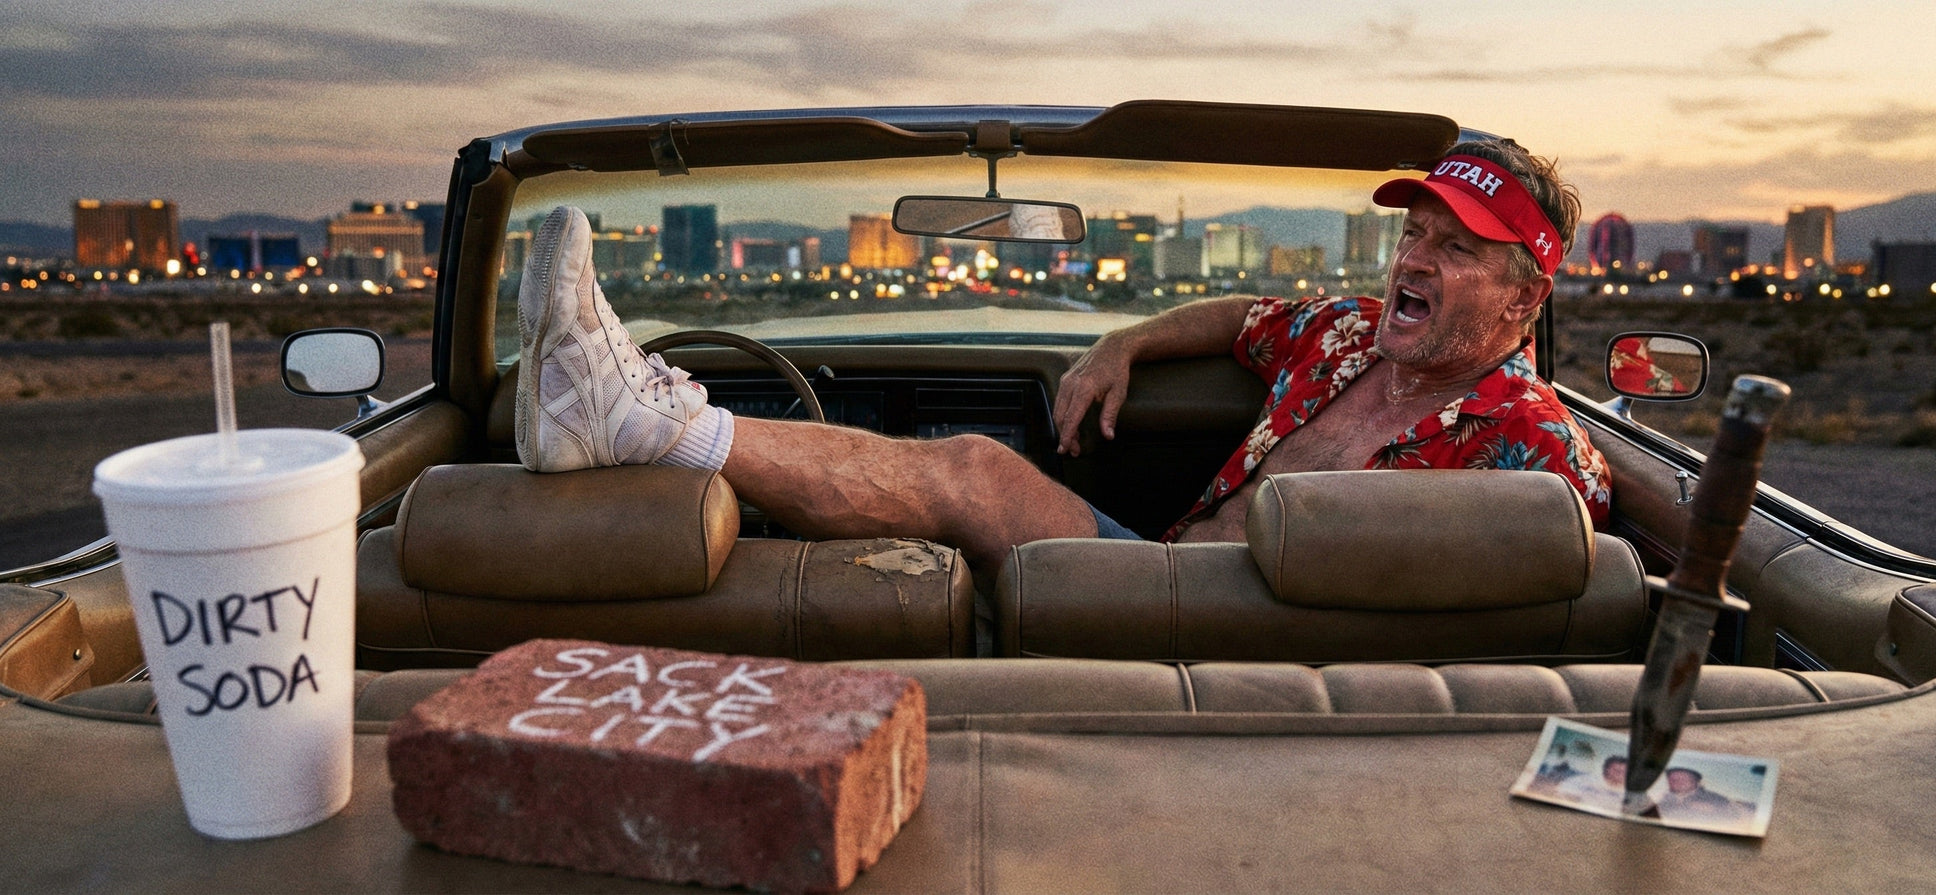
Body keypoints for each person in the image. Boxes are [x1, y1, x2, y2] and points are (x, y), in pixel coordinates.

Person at [511, 139, 1610, 575]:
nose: (1410, 258)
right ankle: (634, 413)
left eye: (1452, 248)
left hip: (1276, 663)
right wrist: (1123, 339)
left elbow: (1532, 601)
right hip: (1159, 586)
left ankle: (651, 421)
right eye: (1410, 233)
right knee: (968, 482)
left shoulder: (1533, 451)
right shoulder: (1339, 339)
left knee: (971, 473)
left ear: (1526, 294)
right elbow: (1235, 317)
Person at [1657, 767, 1746, 823]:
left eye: (1684, 778)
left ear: (1696, 781)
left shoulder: (1715, 798)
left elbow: (1736, 818)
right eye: (1673, 780)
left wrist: (1715, 811)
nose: (1678, 782)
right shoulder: (1660, 801)